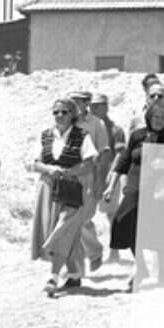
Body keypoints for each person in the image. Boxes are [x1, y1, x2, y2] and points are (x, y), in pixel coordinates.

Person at [104, 103, 164, 291]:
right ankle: (142, 266)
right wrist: (111, 186)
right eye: (155, 116)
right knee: (123, 221)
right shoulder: (137, 135)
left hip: (161, 190)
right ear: (148, 117)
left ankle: (162, 274)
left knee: (162, 229)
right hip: (136, 187)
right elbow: (124, 161)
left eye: (162, 117)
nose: (159, 120)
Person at [29, 98, 98, 296]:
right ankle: (74, 273)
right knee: (64, 231)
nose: (59, 116)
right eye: (56, 112)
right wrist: (50, 169)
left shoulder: (82, 136)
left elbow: (90, 162)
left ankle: (53, 276)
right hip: (48, 189)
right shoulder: (45, 136)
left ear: (72, 114)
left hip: (72, 189)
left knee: (63, 229)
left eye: (64, 112)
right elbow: (34, 163)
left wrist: (69, 172)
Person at [67, 91, 109, 275]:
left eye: (78, 102)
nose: (74, 105)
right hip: (69, 176)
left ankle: (94, 251)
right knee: (69, 220)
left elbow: (103, 153)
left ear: (86, 104)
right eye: (72, 101)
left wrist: (100, 181)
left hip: (89, 176)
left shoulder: (97, 124)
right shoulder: (66, 121)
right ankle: (76, 267)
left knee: (83, 219)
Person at [89, 93, 126, 263]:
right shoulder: (88, 128)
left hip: (107, 175)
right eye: (92, 106)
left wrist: (113, 172)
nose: (93, 109)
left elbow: (119, 153)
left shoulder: (115, 130)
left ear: (105, 107)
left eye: (97, 106)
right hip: (91, 175)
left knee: (111, 214)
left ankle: (115, 251)